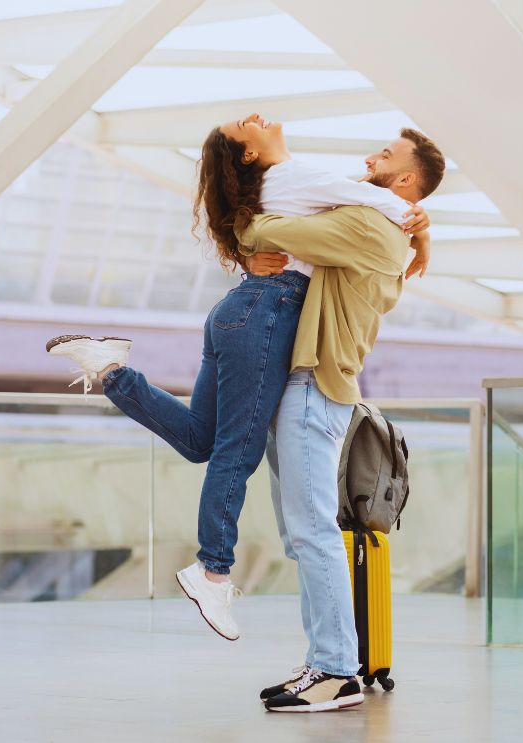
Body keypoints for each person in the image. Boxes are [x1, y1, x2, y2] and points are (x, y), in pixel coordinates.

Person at [45, 113, 429, 643]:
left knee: (202, 440)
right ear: (248, 155)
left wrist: (416, 227)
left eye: (385, 157)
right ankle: (212, 570)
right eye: (245, 125)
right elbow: (367, 209)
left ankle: (110, 369)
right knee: (235, 452)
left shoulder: (302, 188)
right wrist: (415, 219)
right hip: (267, 313)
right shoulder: (302, 182)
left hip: (240, 312)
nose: (258, 117)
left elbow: (335, 208)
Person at [238, 129, 446, 712]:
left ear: (405, 180)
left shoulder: (370, 227)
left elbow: (271, 227)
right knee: (302, 536)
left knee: (313, 532)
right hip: (302, 385)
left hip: (312, 385)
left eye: (384, 157)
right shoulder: (379, 217)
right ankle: (322, 662)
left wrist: (245, 232)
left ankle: (336, 671)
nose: (368, 160)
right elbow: (309, 204)